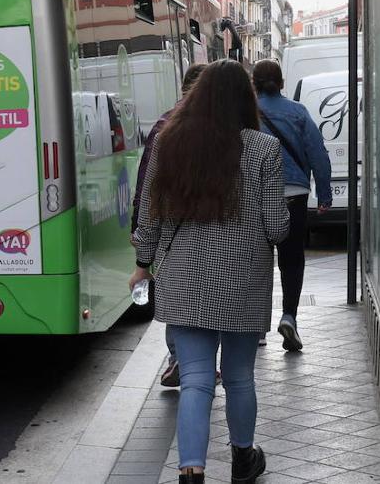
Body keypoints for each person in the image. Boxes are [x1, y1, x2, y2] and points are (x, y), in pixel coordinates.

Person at [129, 60, 289, 484]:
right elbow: (276, 227)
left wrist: (143, 265)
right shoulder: (262, 149)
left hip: (182, 277)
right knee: (239, 377)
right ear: (245, 98)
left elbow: (150, 216)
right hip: (243, 278)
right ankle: (242, 460)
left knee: (196, 380)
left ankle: (191, 474)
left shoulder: (169, 143)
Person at [132, 63, 206, 388]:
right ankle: (197, 360)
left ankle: (180, 356)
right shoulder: (227, 131)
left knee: (176, 294)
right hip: (212, 230)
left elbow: (145, 183)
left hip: (169, 232)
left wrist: (139, 226)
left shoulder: (164, 127)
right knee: (204, 295)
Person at [252, 59, 331, 352]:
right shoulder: (298, 112)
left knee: (258, 261)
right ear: (282, 83)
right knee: (292, 260)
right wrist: (324, 195)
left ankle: (258, 328)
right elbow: (318, 155)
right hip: (294, 195)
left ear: (253, 84)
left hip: (258, 196)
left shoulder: (247, 114)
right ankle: (289, 318)